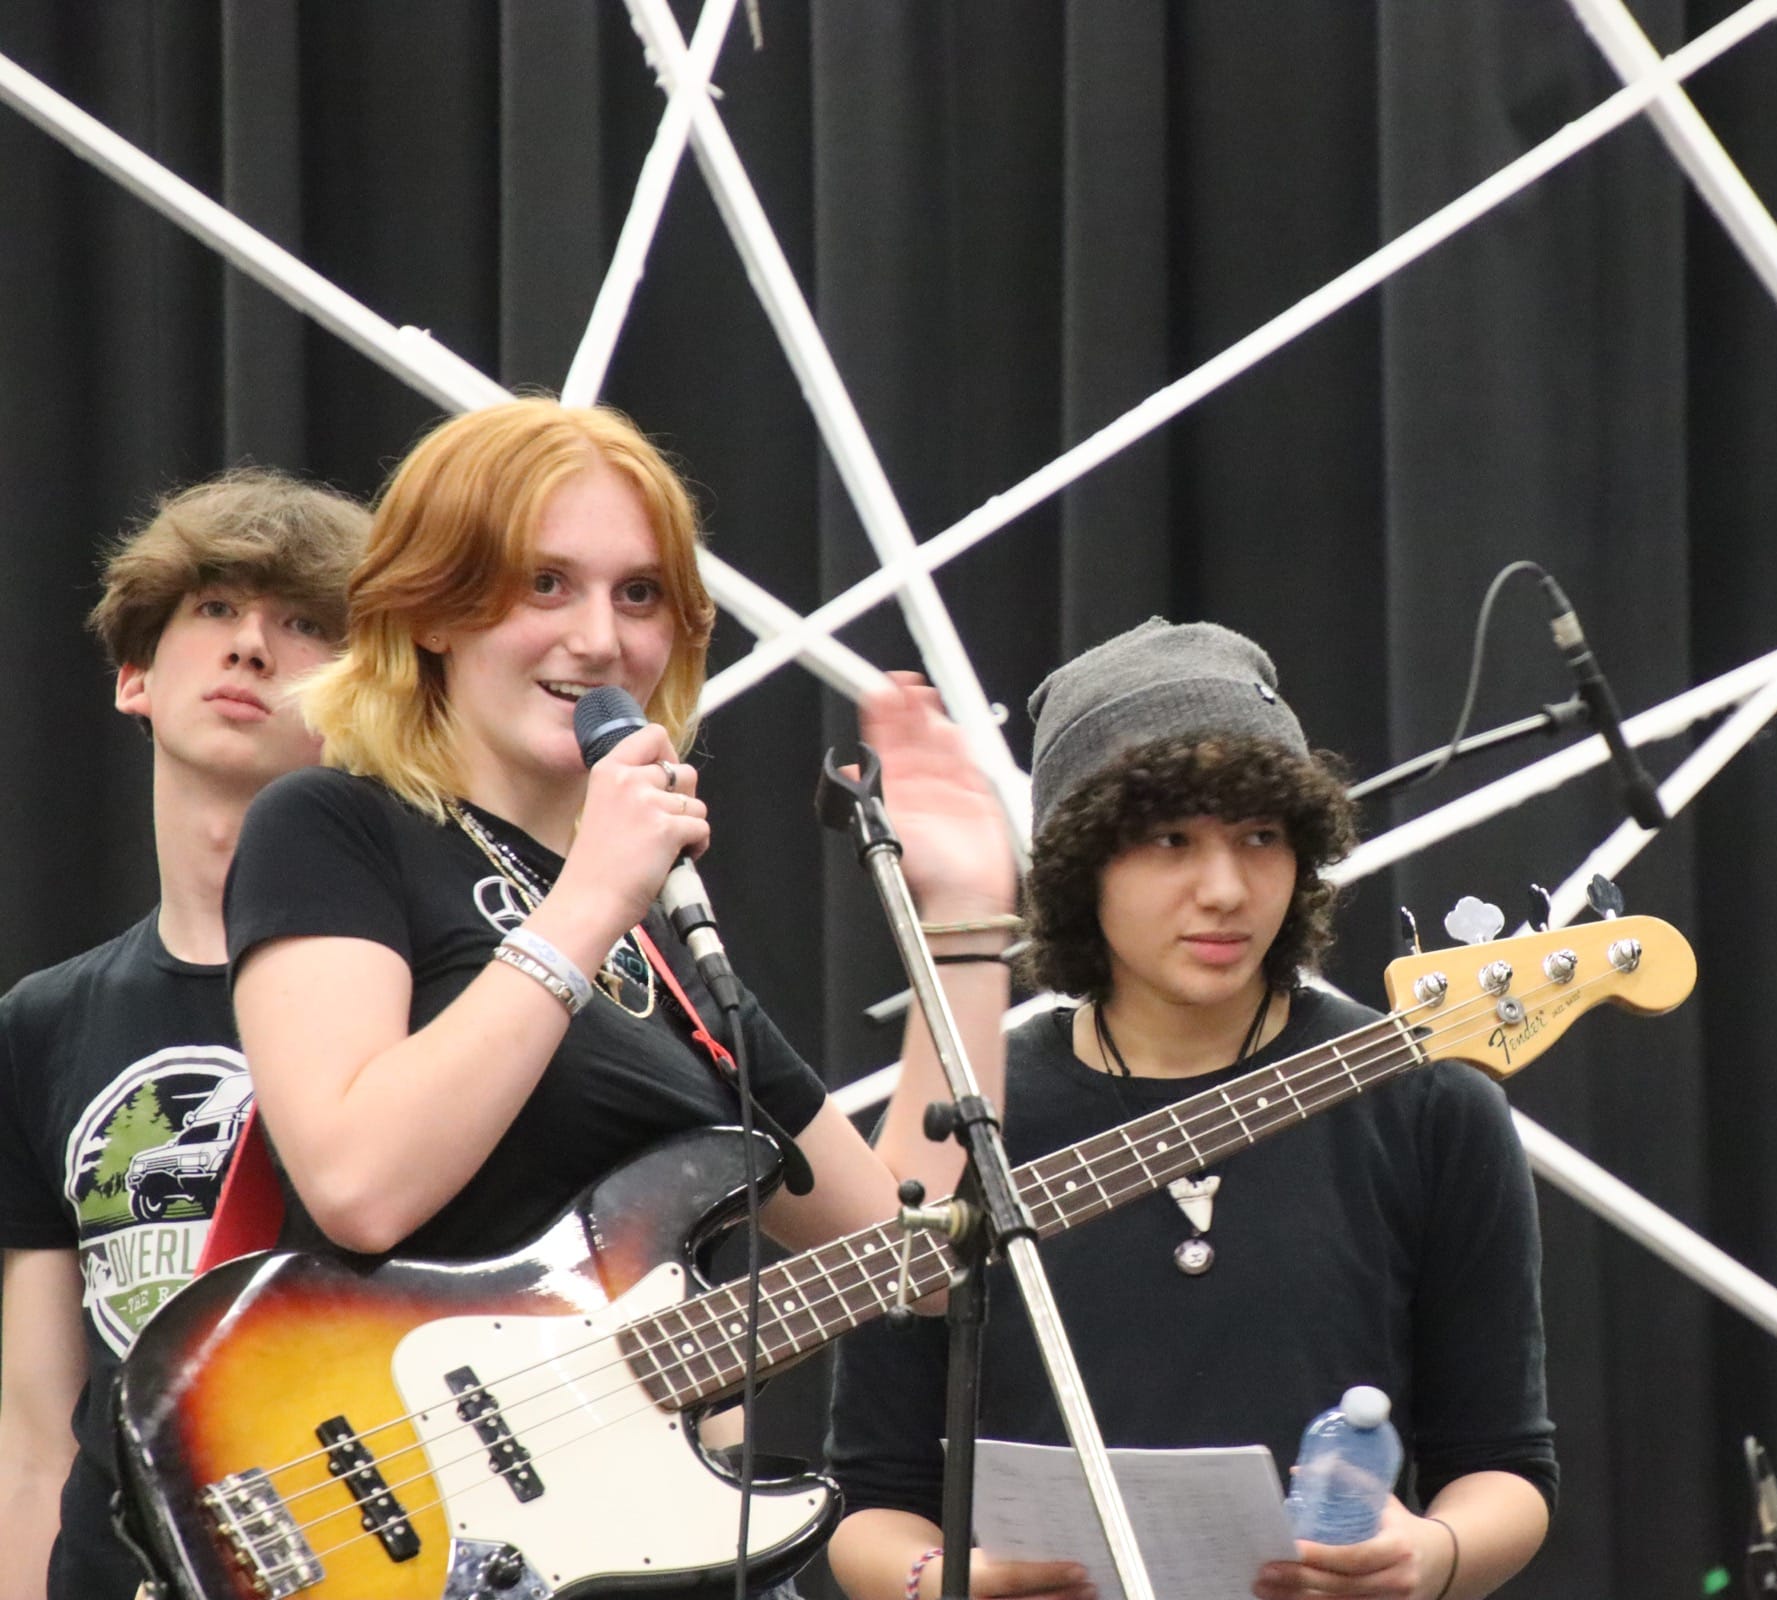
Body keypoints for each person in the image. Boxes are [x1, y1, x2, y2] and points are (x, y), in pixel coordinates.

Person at [219, 400, 1016, 1585]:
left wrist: (964, 928)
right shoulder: (338, 825)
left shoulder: (656, 936)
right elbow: (358, 1181)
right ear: (432, 608)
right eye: (544, 583)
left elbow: (905, 1251)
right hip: (389, 1523)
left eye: (639, 595)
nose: (598, 639)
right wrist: (586, 899)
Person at [825, 618, 1554, 1600]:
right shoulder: (961, 1113)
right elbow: (872, 1498)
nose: (1225, 889)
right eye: (1171, 839)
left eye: (1261, 837)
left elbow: (1507, 1466)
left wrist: (1432, 1556)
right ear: (1082, 866)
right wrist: (939, 1582)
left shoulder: (1428, 1107)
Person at [0, 469, 368, 1600]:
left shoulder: (431, 994)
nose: (252, 646)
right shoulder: (41, 1023)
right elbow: (34, 1437)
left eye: (305, 624)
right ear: (134, 677)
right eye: (214, 609)